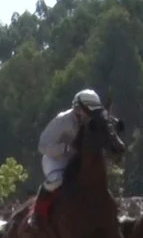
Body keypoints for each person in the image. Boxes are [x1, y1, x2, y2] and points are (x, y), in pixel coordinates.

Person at [30, 88, 105, 229]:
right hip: (55, 159)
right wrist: (65, 148)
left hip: (75, 161)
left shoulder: (91, 123)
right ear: (77, 108)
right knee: (57, 181)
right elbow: (42, 145)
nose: (92, 115)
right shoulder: (61, 120)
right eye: (89, 110)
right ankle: (37, 214)